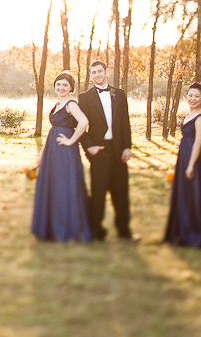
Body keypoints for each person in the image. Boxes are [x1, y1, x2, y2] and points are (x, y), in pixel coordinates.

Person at [78, 60, 136, 241]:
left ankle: (124, 230)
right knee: (98, 191)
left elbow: (125, 123)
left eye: (99, 71)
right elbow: (80, 126)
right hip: (99, 150)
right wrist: (89, 148)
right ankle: (96, 230)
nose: (97, 75)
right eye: (93, 72)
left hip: (118, 148)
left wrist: (127, 146)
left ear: (106, 71)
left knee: (121, 191)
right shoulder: (85, 97)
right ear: (91, 75)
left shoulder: (118, 94)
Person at [31, 72, 92, 243]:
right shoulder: (59, 103)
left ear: (71, 87)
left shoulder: (71, 104)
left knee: (64, 185)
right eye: (58, 84)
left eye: (65, 85)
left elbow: (84, 122)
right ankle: (50, 226)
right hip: (53, 149)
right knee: (53, 184)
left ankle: (66, 227)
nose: (61, 88)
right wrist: (42, 155)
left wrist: (72, 140)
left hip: (65, 151)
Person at [164, 83, 201, 248]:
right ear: (187, 97)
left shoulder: (200, 118)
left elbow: (198, 142)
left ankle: (194, 233)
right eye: (190, 95)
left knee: (192, 193)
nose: (193, 99)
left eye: (197, 96)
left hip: (193, 158)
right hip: (184, 156)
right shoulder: (189, 115)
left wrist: (191, 165)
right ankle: (181, 230)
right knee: (183, 193)